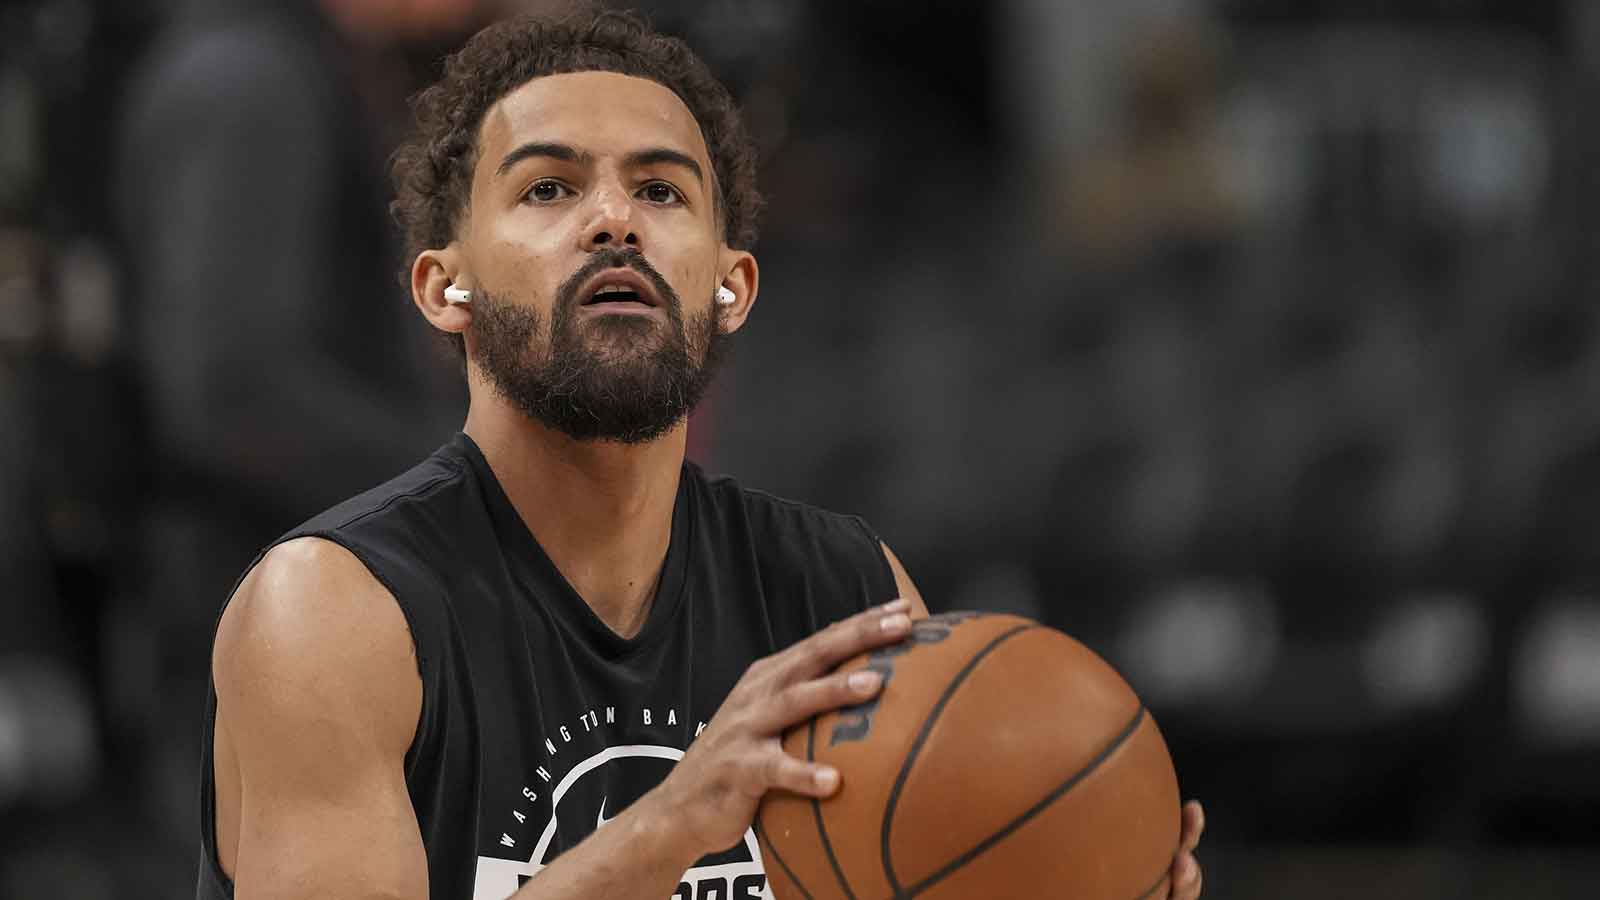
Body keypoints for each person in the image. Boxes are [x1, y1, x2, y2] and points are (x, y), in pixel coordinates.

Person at [196, 9, 1206, 899]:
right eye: (548, 188)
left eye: (663, 191)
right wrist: (670, 829)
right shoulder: (335, 616)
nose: (614, 220)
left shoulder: (839, 596)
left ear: (732, 289)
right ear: (440, 289)